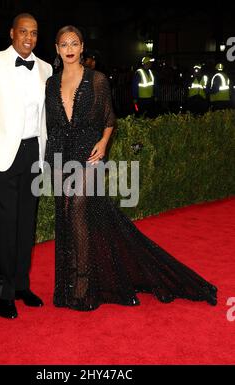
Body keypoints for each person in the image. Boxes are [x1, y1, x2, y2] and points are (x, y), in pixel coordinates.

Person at [44, 25, 217, 311]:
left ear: (82, 46)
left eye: (74, 43)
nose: (70, 49)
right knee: (65, 214)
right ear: (57, 49)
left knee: (77, 208)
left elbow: (110, 118)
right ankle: (70, 282)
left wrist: (103, 143)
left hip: (89, 155)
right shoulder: (51, 83)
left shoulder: (97, 79)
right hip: (62, 155)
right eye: (64, 44)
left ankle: (85, 282)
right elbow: (52, 125)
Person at [0, 13, 52, 319]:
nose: (29, 38)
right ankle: (4, 294)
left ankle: (21, 286)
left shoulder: (44, 68)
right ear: (12, 33)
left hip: (34, 152)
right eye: (23, 32)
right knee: (7, 228)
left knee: (26, 226)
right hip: (3, 155)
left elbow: (46, 117)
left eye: (34, 33)